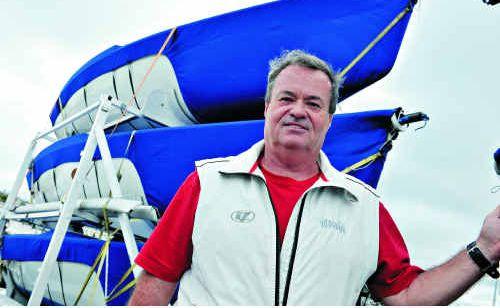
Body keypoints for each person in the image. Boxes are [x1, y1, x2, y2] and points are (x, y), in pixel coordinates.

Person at [129, 50, 500, 305]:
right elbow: (156, 284)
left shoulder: (363, 207)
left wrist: (485, 248)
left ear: (329, 119)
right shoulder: (207, 185)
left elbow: (406, 297)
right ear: (267, 108)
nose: (297, 111)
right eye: (287, 98)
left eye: (313, 103)